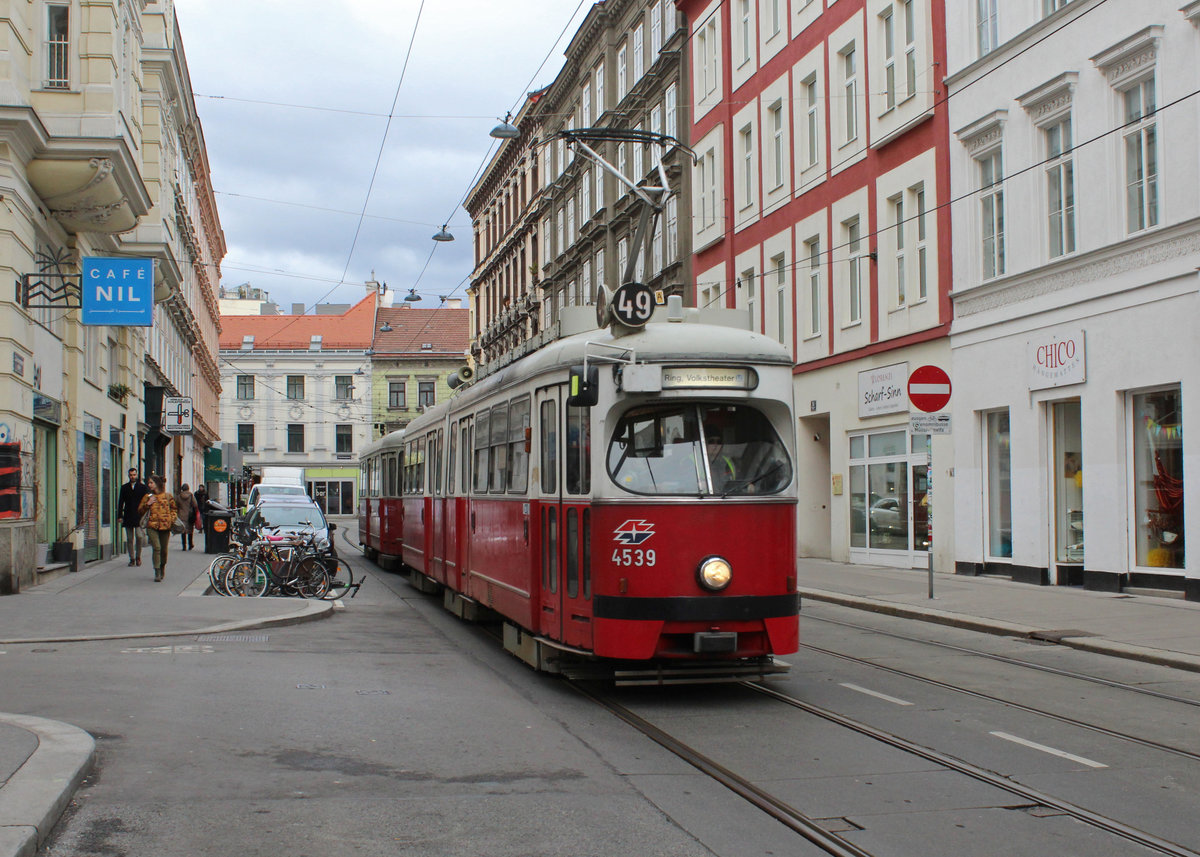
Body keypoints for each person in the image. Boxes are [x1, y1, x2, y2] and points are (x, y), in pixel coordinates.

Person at [138, 475, 178, 582]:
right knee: (157, 547)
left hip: (165, 526)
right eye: (149, 482)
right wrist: (148, 504)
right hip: (152, 526)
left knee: (164, 550)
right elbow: (140, 511)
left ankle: (162, 567)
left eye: (151, 482)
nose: (149, 484)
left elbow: (174, 509)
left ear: (157, 483)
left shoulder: (168, 496)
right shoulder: (148, 496)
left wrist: (171, 519)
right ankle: (157, 571)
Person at [115, 468, 150, 567]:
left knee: (139, 536)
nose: (132, 477)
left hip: (139, 516)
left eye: (134, 475)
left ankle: (138, 556)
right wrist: (119, 516)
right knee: (130, 539)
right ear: (128, 475)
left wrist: (147, 510)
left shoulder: (142, 487)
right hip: (128, 515)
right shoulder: (124, 488)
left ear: (137, 475)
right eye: (131, 475)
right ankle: (132, 558)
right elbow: (121, 502)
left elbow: (149, 497)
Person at [175, 483, 197, 550]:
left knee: (183, 530)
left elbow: (176, 505)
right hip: (189, 515)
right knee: (190, 530)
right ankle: (190, 544)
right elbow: (195, 504)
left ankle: (184, 546)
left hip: (181, 515)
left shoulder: (179, 496)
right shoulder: (190, 496)